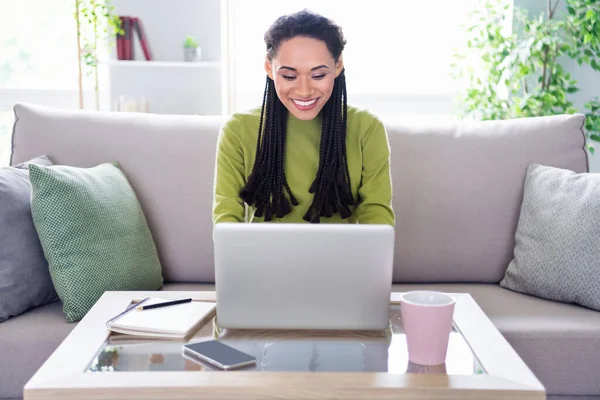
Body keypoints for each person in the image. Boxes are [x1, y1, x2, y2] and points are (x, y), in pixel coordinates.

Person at [213, 9, 394, 225]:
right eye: (289, 76)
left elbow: (377, 217)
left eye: (318, 75)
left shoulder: (367, 128)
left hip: (343, 259)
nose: (305, 90)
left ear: (338, 66)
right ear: (269, 68)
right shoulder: (238, 130)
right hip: (263, 259)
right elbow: (226, 218)